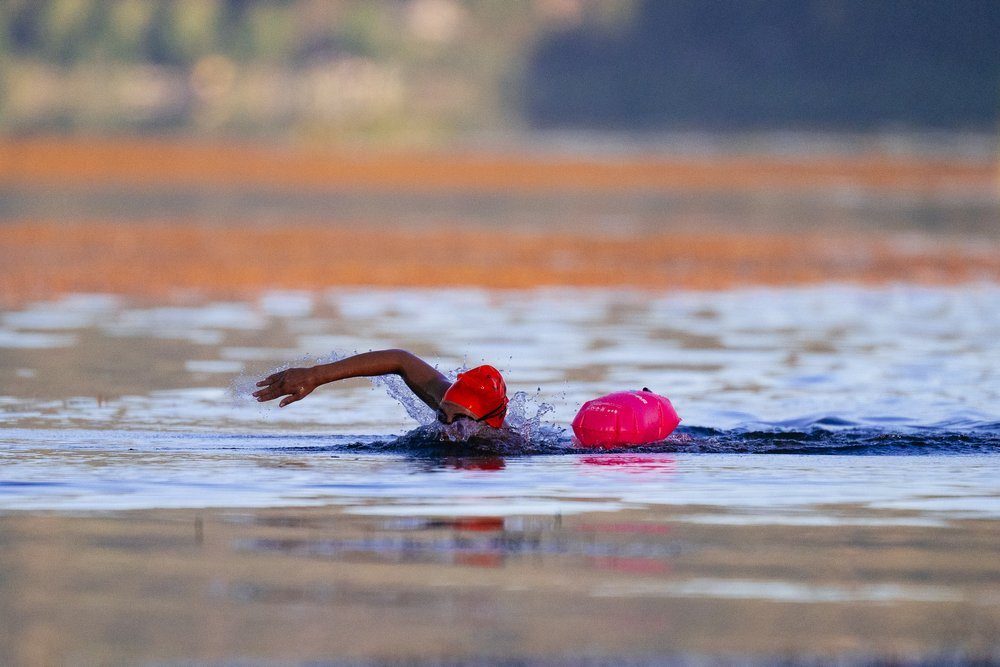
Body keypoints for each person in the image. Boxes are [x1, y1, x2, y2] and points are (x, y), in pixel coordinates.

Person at [253, 348, 508, 428]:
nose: (447, 428)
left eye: (460, 421)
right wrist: (315, 375)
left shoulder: (510, 447)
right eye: (442, 415)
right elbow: (399, 359)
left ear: (488, 423)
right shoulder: (453, 401)